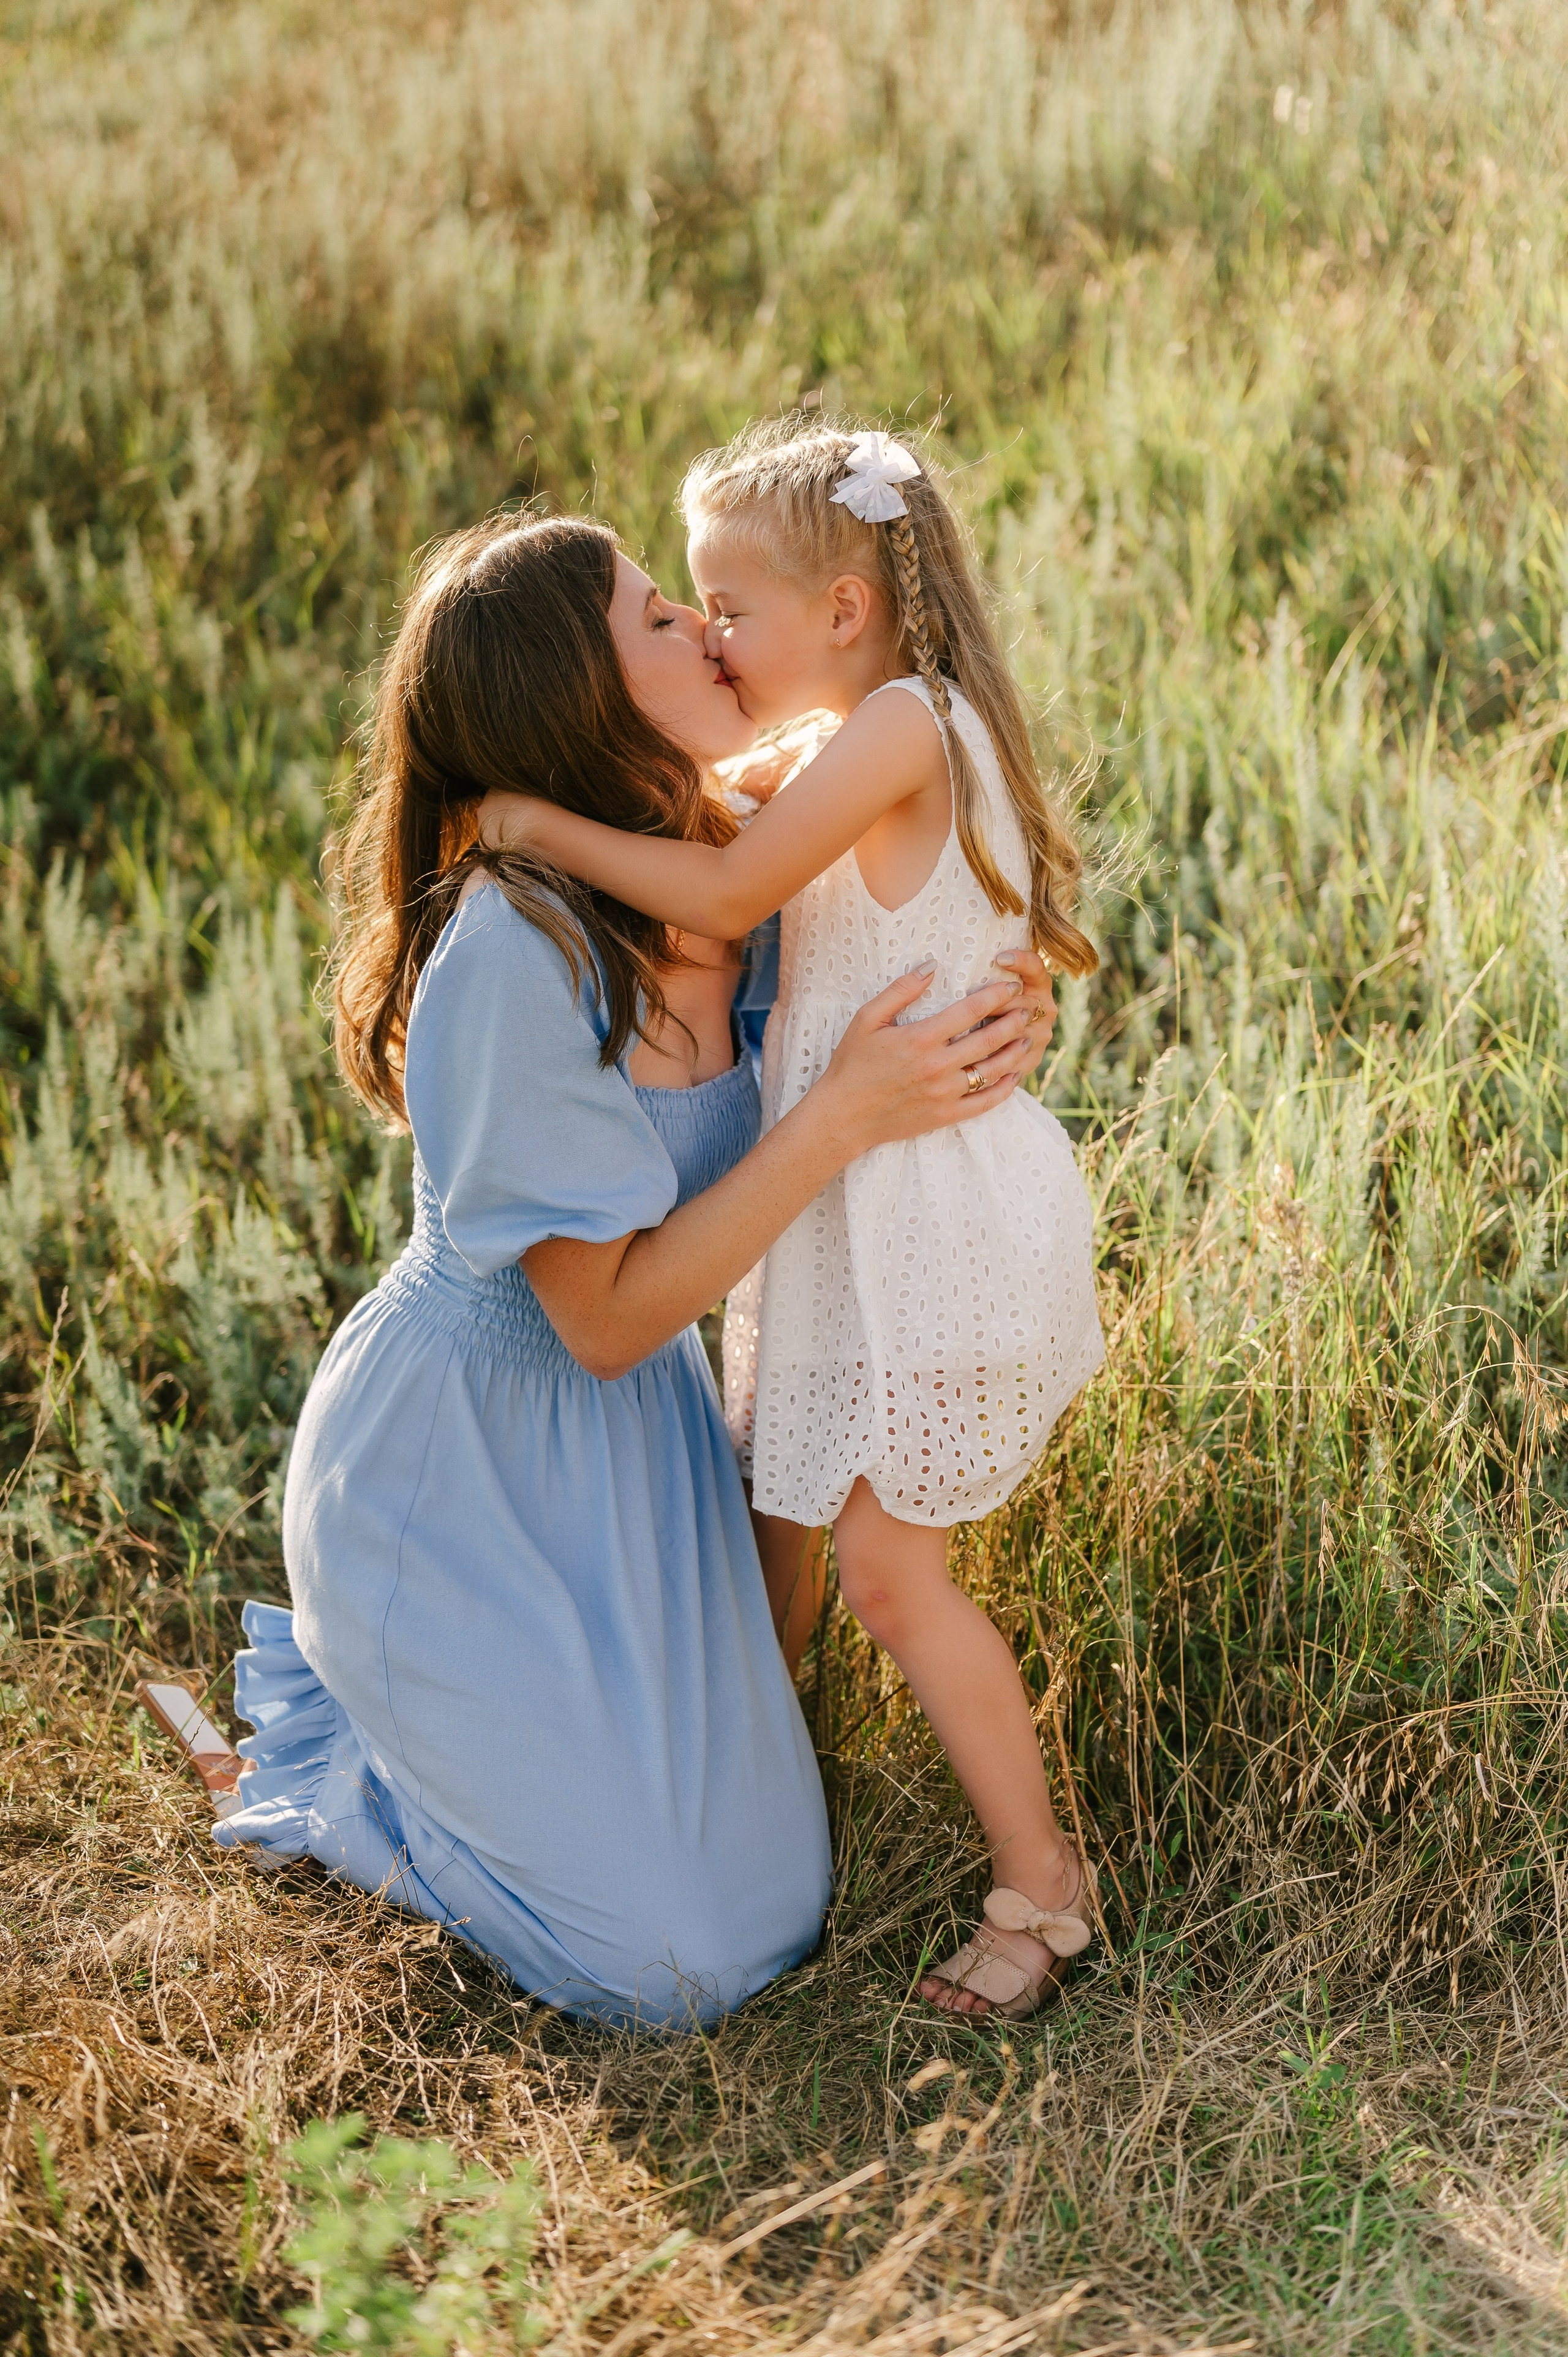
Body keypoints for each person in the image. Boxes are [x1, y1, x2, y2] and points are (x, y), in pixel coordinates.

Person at [202, 511, 1054, 2030]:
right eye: (663, 619)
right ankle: (351, 1769)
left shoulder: (746, 864)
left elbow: (931, 933)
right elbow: (595, 1319)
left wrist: (1003, 1015)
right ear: (583, 705)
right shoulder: (510, 952)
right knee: (673, 1969)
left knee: (773, 1909)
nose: (709, 631)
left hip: (636, 1451)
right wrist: (844, 1113)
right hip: (462, 1468)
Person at [477, 420, 1106, 2019]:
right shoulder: (869, 727)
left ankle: (1044, 1891)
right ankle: (752, 1820)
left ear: (842, 608)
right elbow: (742, 825)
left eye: (727, 606)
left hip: (925, 1221)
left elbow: (731, 895)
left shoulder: (900, 722)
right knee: (779, 1540)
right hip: (849, 1215)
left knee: (891, 1571)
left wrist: (533, 828)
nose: (713, 638)